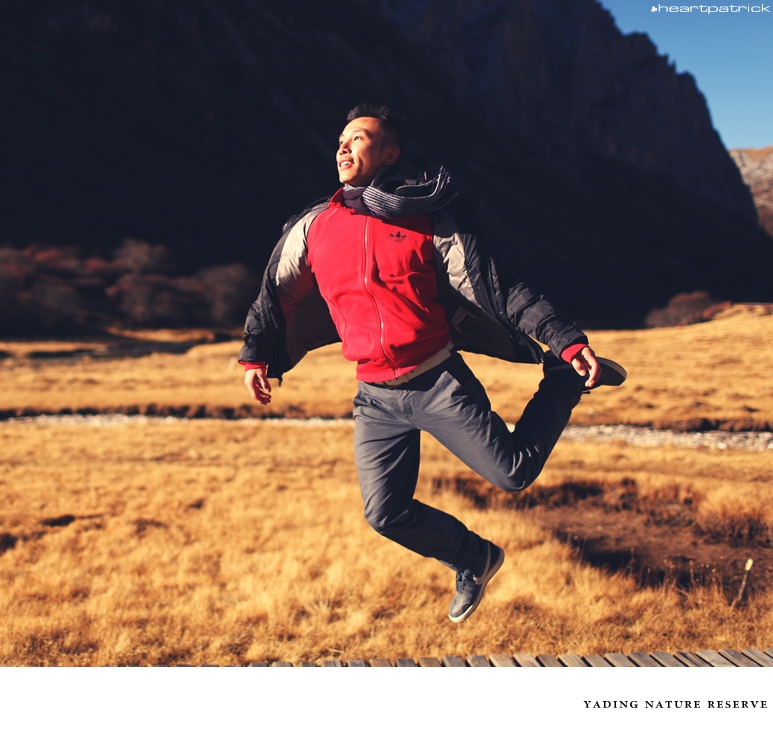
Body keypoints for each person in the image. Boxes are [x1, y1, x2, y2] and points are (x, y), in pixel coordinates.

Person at [239, 103, 626, 623]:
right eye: (341, 139)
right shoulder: (314, 227)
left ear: (390, 154)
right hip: (375, 397)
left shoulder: (429, 219)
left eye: (359, 137)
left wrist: (564, 342)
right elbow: (274, 292)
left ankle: (561, 381)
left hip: (437, 381)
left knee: (512, 472)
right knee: (385, 513)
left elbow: (499, 287)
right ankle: (474, 558)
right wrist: (257, 354)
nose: (344, 146)